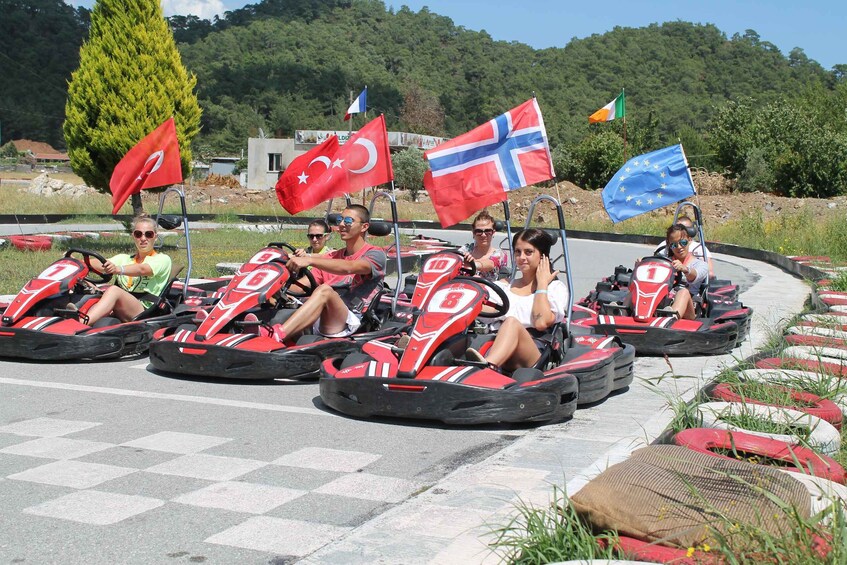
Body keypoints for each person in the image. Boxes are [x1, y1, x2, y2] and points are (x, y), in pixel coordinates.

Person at [255, 204, 386, 342]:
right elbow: (301, 287)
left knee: (325, 291)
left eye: (348, 221)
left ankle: (276, 335)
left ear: (364, 227)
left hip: (354, 320)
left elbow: (350, 267)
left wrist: (310, 260)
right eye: (340, 220)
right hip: (324, 318)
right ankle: (250, 326)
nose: (341, 224)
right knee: (279, 303)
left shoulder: (375, 254)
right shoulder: (331, 257)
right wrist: (273, 286)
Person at [465, 229, 568, 372]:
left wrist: (542, 285)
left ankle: (487, 367)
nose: (521, 257)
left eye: (528, 252)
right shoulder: (503, 286)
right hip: (495, 342)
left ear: (542, 256)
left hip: (532, 352)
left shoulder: (555, 288)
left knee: (511, 323)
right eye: (518, 252)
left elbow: (541, 323)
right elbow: (484, 311)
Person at [73, 215, 172, 325]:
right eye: (138, 234)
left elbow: (143, 269)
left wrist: (118, 269)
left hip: (144, 310)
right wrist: (76, 262)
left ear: (155, 237)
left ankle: (81, 323)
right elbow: (102, 264)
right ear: (133, 236)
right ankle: (66, 314)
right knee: (82, 282)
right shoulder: (124, 258)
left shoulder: (163, 259)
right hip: (121, 305)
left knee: (114, 290)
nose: (143, 238)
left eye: (148, 234)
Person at [665, 223, 709, 320]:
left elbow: (694, 275)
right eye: (674, 245)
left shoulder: (701, 264)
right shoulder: (665, 262)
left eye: (683, 242)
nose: (679, 247)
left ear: (689, 240)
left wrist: (685, 269)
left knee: (683, 292)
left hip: (690, 306)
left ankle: (671, 318)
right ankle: (629, 313)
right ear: (669, 246)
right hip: (665, 300)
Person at [458, 210, 508, 281]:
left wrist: (473, 264)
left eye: (488, 231)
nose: (483, 235)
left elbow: (491, 264)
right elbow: (453, 258)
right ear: (473, 233)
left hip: (487, 287)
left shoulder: (500, 254)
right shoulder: (465, 250)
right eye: (479, 231)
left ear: (493, 233)